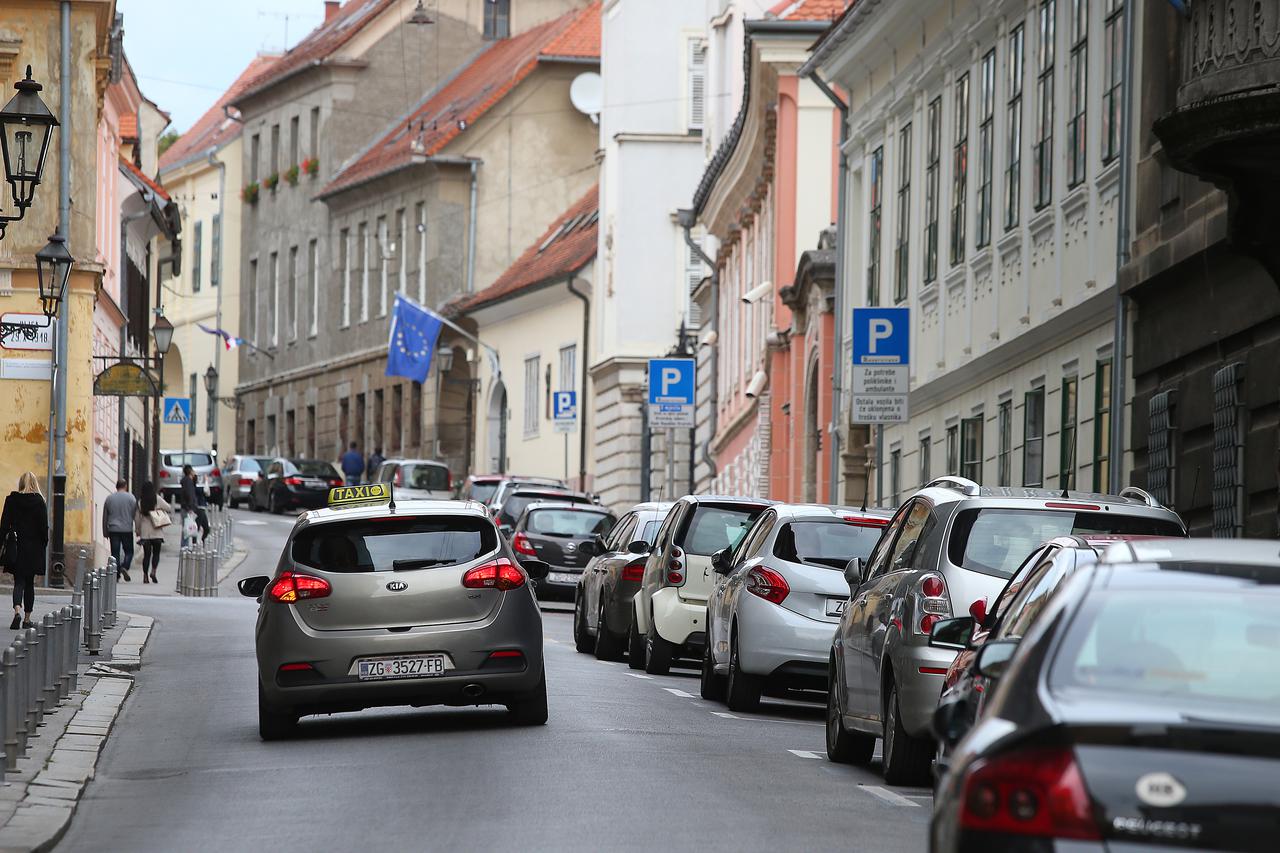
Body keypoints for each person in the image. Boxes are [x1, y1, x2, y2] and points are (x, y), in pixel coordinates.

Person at [0, 473, 49, 630]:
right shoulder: (39, 502)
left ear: (20, 483)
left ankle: (16, 612)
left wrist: (2, 544)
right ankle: (27, 619)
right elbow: (43, 529)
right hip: (33, 548)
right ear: (34, 483)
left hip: (16, 546)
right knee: (29, 583)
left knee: (18, 581)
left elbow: (4, 524)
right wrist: (43, 544)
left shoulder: (11, 500)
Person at [134, 480, 172, 584]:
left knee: (146, 555)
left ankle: (145, 576)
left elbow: (137, 518)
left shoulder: (140, 502)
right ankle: (154, 571)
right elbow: (169, 508)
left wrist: (137, 530)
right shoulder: (157, 499)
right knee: (156, 554)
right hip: (157, 531)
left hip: (145, 532)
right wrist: (159, 509)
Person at [102, 478, 137, 582]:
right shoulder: (131, 498)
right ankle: (125, 566)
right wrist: (137, 528)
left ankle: (116, 574)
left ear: (116, 487)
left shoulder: (109, 498)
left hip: (113, 529)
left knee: (115, 552)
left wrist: (105, 531)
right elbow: (135, 514)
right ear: (125, 486)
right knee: (129, 551)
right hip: (127, 529)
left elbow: (105, 517)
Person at [179, 465, 210, 542]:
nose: (194, 473)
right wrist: (190, 507)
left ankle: (188, 546)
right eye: (193, 471)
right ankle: (186, 548)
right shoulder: (189, 482)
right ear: (190, 472)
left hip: (192, 508)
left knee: (191, 528)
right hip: (191, 508)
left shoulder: (188, 482)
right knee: (189, 529)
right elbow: (189, 495)